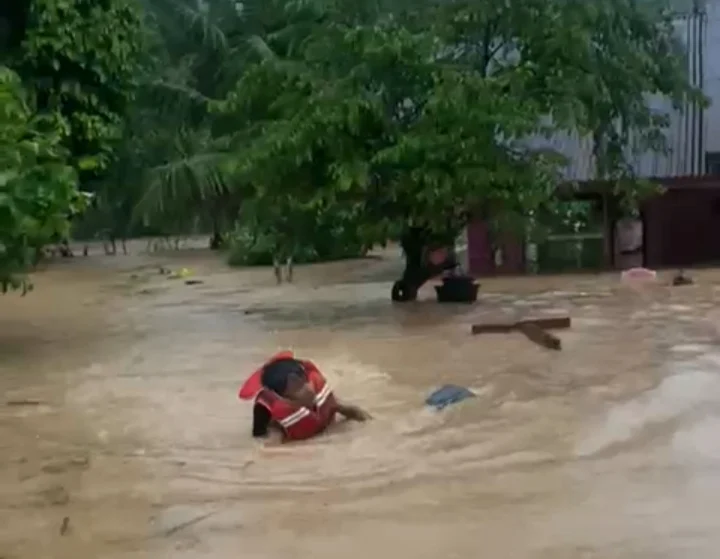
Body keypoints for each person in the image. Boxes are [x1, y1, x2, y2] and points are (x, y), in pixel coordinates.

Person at [238, 351, 371, 442]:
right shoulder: (266, 409)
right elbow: (261, 440)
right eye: (297, 389)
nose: (308, 389)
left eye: (305, 381)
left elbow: (348, 410)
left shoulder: (317, 388)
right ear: (283, 398)